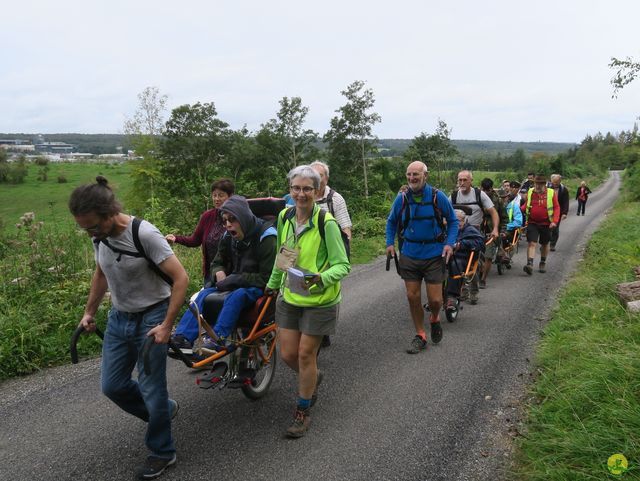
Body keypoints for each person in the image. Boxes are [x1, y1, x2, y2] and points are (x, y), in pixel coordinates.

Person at [69, 176, 189, 480]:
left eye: (92, 226)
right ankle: (163, 410)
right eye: (84, 228)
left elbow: (181, 280)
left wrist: (166, 325)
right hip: (119, 318)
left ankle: (162, 451)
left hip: (152, 318)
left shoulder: (144, 234)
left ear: (109, 213)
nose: (89, 234)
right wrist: (89, 311)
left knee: (152, 389)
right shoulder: (99, 237)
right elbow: (101, 273)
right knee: (112, 386)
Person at [265, 165, 350, 438]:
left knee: (304, 354)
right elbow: (285, 253)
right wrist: (272, 285)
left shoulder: (327, 224)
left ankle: (302, 411)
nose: (301, 194)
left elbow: (342, 266)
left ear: (317, 191)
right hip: (290, 296)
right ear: (290, 190)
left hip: (320, 300)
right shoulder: (285, 216)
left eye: (307, 189)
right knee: (288, 354)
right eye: (296, 188)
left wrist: (319, 279)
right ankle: (313, 376)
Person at [170, 195, 277, 352]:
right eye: (225, 220)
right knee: (203, 295)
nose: (227, 224)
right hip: (235, 282)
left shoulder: (267, 237)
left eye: (232, 219)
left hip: (260, 286)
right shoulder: (228, 236)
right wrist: (218, 271)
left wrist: (236, 279)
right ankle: (182, 338)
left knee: (238, 295)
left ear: (244, 217)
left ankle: (218, 338)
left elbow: (267, 277)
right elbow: (217, 262)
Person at [386, 161, 458, 353]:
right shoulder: (401, 198)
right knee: (412, 296)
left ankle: (434, 318)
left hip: (434, 253)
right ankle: (420, 334)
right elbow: (391, 221)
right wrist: (389, 243)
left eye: (415, 174)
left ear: (425, 175)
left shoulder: (437, 196)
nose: (411, 178)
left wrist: (449, 244)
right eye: (409, 174)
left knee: (435, 300)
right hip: (410, 252)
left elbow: (452, 221)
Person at [310, 160, 353, 348]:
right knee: (308, 290)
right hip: (308, 252)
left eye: (319, 176)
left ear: (326, 178)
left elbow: (346, 228)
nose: (315, 180)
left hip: (330, 255)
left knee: (326, 291)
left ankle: (324, 330)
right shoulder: (303, 196)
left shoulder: (336, 199)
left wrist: (340, 255)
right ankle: (313, 328)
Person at [165, 179, 234, 283]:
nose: (216, 199)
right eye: (214, 195)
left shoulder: (237, 216)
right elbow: (195, 240)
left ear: (231, 196)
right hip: (210, 274)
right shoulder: (207, 216)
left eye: (221, 195)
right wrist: (176, 238)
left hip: (233, 273)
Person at [449, 170, 499, 304]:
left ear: (471, 181)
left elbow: (493, 212)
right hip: (457, 233)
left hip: (474, 233)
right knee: (456, 262)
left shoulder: (479, 195)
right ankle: (462, 291)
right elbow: (445, 214)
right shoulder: (453, 196)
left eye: (465, 180)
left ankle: (474, 290)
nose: (462, 182)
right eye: (460, 180)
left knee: (472, 264)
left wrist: (495, 229)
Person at [445, 209, 485, 310]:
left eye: (459, 220)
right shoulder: (447, 229)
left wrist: (462, 244)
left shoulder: (470, 230)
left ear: (464, 220)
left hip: (463, 258)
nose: (456, 223)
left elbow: (480, 243)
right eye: (454, 220)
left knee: (454, 265)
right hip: (445, 257)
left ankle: (452, 297)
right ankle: (434, 297)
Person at [522, 174, 560, 275]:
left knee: (544, 244)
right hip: (532, 222)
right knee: (532, 243)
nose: (538, 186)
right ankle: (529, 264)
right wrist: (517, 210)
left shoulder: (551, 193)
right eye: (536, 183)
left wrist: (554, 221)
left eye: (540, 184)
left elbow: (556, 207)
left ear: (545, 184)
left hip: (546, 223)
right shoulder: (530, 192)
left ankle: (542, 262)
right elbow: (526, 205)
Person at [478, 179, 508, 288]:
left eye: (488, 190)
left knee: (488, 256)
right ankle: (480, 271)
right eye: (483, 190)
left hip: (491, 232)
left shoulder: (498, 201)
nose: (486, 192)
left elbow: (504, 217)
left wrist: (503, 230)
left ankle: (483, 279)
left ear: (491, 188)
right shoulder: (476, 198)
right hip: (477, 230)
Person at [548, 174, 569, 251]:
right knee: (546, 229)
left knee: (555, 229)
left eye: (557, 182)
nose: (555, 184)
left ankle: (552, 244)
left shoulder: (564, 190)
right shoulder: (547, 188)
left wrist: (564, 213)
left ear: (560, 181)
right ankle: (544, 244)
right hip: (547, 212)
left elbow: (566, 202)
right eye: (553, 182)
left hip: (558, 212)